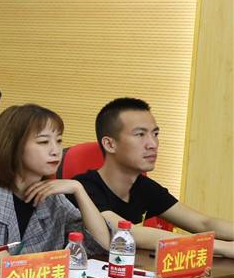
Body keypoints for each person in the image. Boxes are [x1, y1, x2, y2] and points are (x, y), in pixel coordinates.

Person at [75, 97, 234, 257]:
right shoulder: (83, 188)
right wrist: (222, 247)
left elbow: (203, 223)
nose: (153, 144)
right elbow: (125, 232)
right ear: (110, 144)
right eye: (140, 134)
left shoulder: (143, 186)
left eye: (155, 134)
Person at [0, 104, 111, 255]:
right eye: (43, 142)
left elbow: (101, 245)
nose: (56, 150)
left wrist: (78, 189)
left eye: (58, 140)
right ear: (14, 146)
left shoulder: (53, 199)